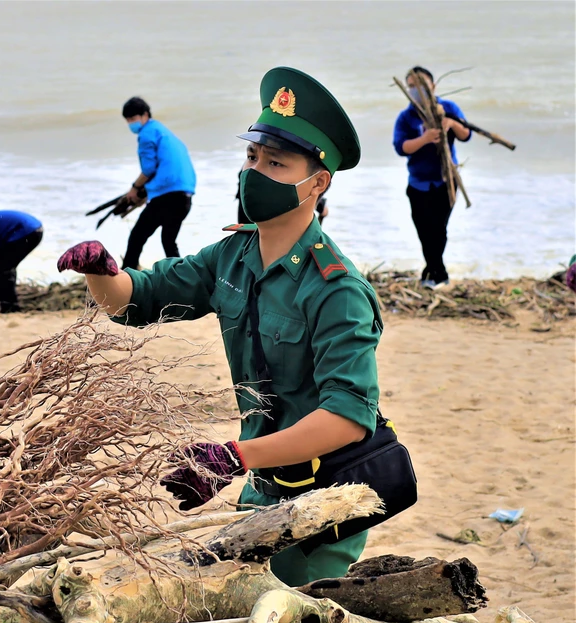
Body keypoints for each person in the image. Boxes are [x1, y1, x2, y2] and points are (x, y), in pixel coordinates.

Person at [59, 68, 392, 587]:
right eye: (252, 157)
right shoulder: (232, 255)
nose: (254, 172)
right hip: (258, 490)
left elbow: (347, 419)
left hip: (323, 504)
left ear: (317, 183)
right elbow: (136, 300)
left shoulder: (336, 289)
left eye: (276, 163)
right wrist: (103, 273)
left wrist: (231, 457)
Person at [393, 66, 471, 288]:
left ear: (433, 86)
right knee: (424, 230)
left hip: (446, 181)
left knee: (439, 229)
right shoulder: (407, 117)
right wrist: (426, 138)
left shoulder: (447, 108)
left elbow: (466, 135)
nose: (417, 91)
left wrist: (451, 123)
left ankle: (435, 271)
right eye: (411, 87)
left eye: (422, 86)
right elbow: (401, 147)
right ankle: (436, 270)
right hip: (418, 183)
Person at [118, 97, 196, 270]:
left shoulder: (146, 134)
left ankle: (125, 277)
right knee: (168, 240)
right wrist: (147, 193)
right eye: (128, 120)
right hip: (184, 195)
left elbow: (148, 169)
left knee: (137, 236)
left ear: (145, 115)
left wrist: (135, 189)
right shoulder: (162, 131)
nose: (131, 123)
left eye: (133, 118)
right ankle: (184, 278)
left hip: (167, 197)